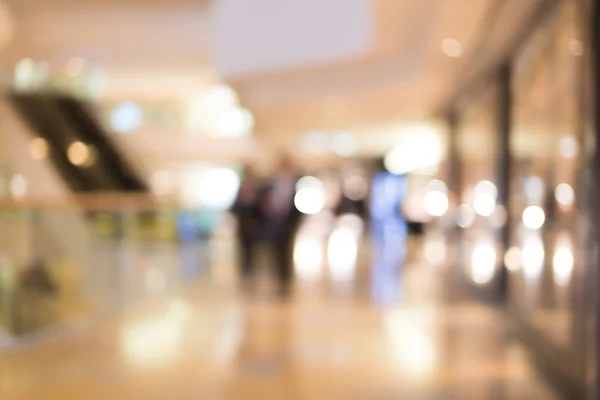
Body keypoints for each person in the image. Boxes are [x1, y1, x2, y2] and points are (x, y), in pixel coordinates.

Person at [260, 158, 301, 295]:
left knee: (286, 251)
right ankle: (276, 276)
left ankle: (286, 279)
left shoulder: (296, 185)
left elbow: (298, 209)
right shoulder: (271, 185)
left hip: (288, 224)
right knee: (274, 251)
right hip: (274, 223)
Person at [231, 166, 262, 287]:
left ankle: (253, 271)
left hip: (254, 226)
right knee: (244, 251)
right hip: (243, 226)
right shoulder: (240, 190)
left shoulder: (258, 190)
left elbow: (260, 210)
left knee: (254, 250)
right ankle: (245, 272)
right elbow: (234, 208)